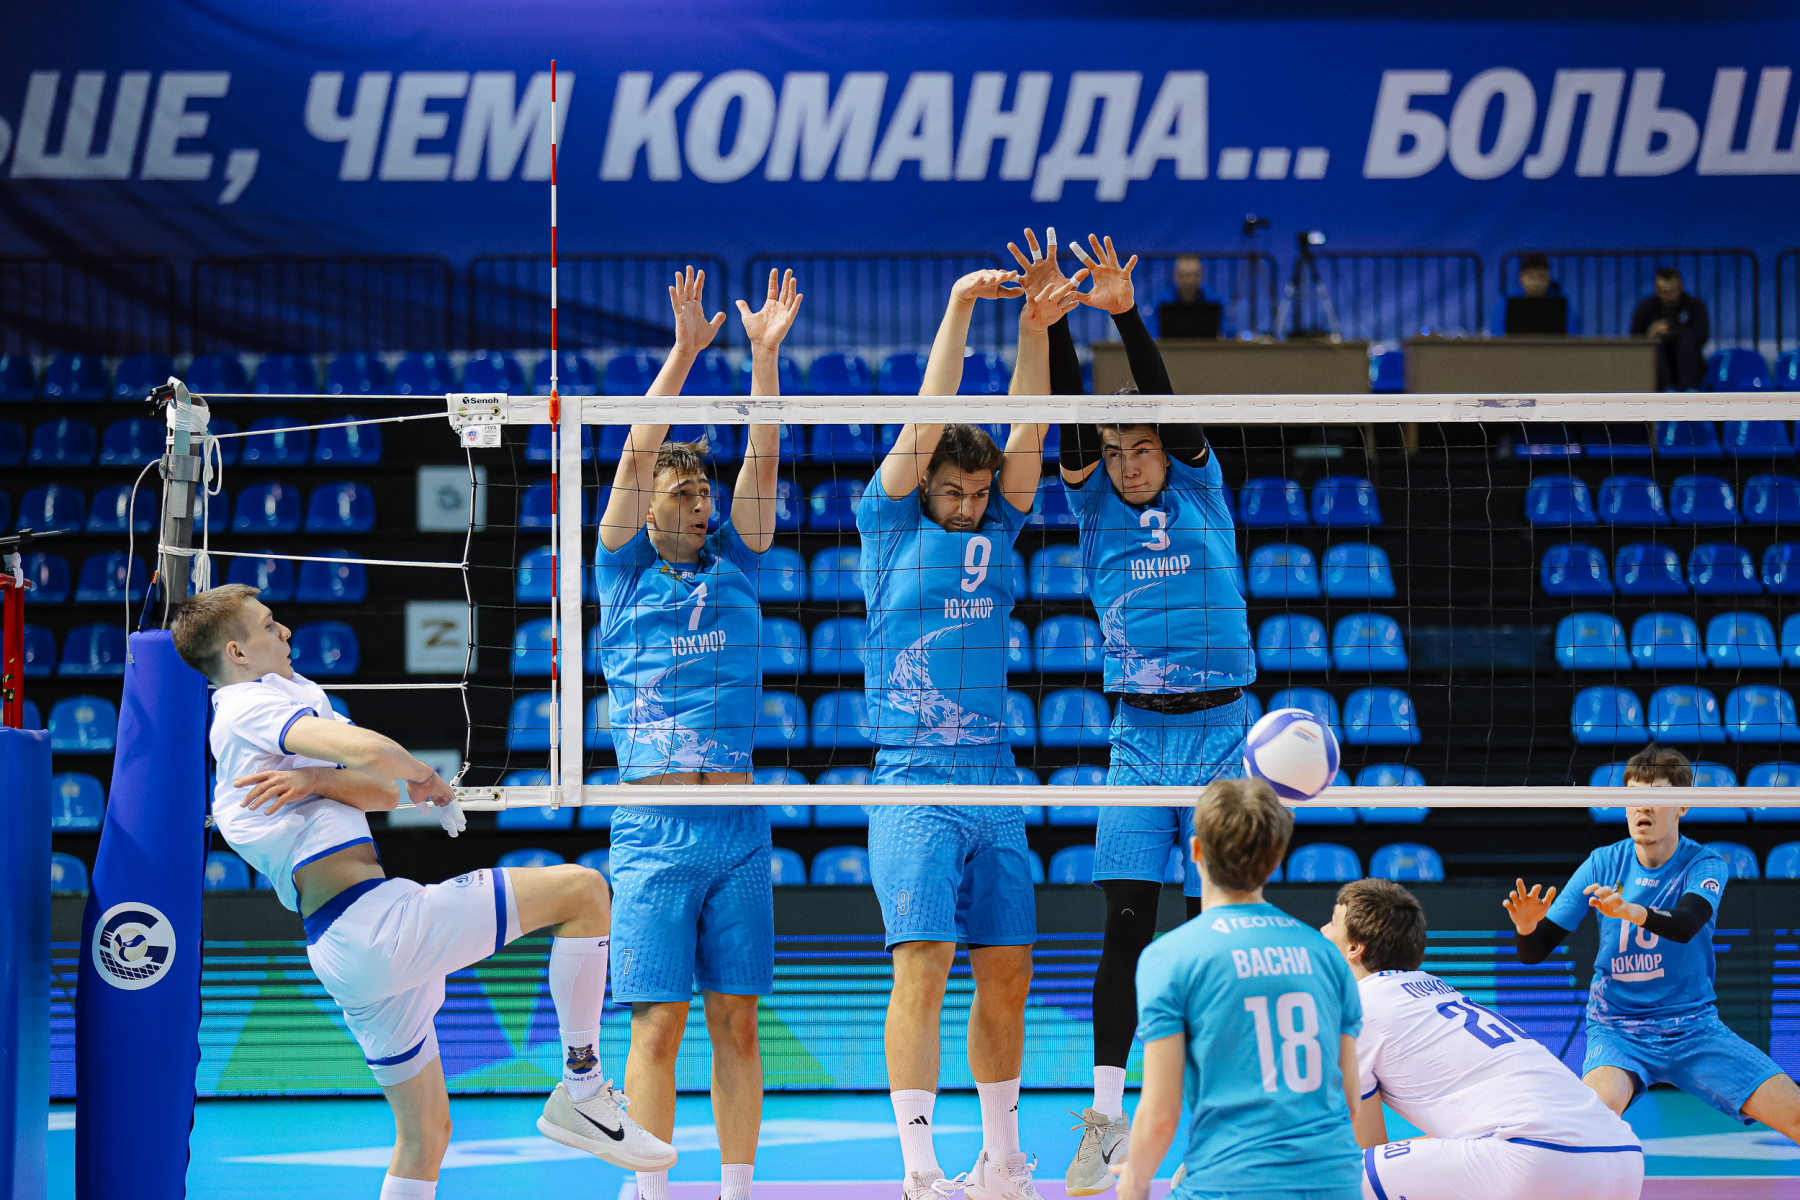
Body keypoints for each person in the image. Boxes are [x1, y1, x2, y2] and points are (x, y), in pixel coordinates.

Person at [173, 584, 674, 1200]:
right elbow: (372, 755)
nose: (285, 632)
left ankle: (578, 1097)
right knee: (584, 890)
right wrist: (427, 777)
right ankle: (582, 1089)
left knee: (426, 1134)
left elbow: (379, 791)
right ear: (236, 652)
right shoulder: (244, 706)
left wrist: (317, 780)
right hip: (372, 927)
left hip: (350, 946)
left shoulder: (295, 696)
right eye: (269, 624)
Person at [1026, 233, 1255, 1196]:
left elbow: (1160, 399)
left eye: (1141, 447)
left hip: (1222, 734)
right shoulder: (1095, 509)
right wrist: (1057, 328)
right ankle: (1107, 1121)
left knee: (1219, 930)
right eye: (1114, 452)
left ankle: (1222, 1118)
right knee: (1125, 924)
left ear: (1167, 449)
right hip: (1137, 740)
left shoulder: (1199, 482)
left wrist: (1122, 314)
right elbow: (1073, 421)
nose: (1126, 464)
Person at [860, 257, 1076, 1200]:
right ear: (926, 486)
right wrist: (956, 306)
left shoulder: (1001, 529)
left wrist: (1035, 329)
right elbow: (927, 415)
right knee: (925, 965)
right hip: (913, 775)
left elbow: (1030, 426)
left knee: (1010, 971)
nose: (969, 505)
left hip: (995, 774)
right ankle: (919, 1166)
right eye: (954, 491)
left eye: (979, 494)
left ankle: (1001, 1158)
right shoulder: (888, 525)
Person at [592, 265, 802, 1200]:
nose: (697, 503)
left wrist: (762, 359)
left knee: (738, 1023)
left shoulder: (740, 562)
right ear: (650, 505)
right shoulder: (622, 570)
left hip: (739, 827)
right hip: (653, 827)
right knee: (657, 1026)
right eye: (680, 493)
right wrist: (683, 354)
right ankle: (650, 1190)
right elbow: (636, 451)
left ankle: (738, 1191)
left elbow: (765, 452)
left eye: (701, 492)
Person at [1507, 743, 1800, 1142]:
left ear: (1683, 805)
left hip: (1693, 1028)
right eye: (1633, 797)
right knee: (1587, 1121)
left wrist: (1632, 910)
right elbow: (1534, 951)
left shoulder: (1704, 864)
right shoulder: (1602, 864)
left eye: (1656, 796)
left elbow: (1687, 923)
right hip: (1617, 1030)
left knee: (1795, 1113)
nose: (1642, 807)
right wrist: (1526, 927)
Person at [1116, 778, 1363, 1200]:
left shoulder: (1169, 957)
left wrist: (1133, 1185)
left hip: (1229, 1185)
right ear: (1276, 859)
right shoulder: (1325, 953)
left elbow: (1161, 1115)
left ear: (1195, 851)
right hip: (1335, 1184)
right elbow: (1350, 1102)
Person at [1322, 877, 1643, 1200]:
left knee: (1332, 1175)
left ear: (1354, 947)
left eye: (1332, 922)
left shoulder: (1358, 1008)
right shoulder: (1439, 992)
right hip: (1622, 1158)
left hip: (1535, 1159)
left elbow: (1366, 1149)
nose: (1323, 931)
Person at [1629, 268, 1709, 390]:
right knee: (1656, 342)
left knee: (1686, 339)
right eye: (1665, 292)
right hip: (1657, 371)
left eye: (1673, 290)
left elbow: (1702, 335)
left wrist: (1674, 331)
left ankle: (1690, 389)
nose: (1670, 296)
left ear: (1681, 286)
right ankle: (1667, 389)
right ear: (1657, 290)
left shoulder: (1695, 305)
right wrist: (1650, 333)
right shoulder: (1646, 308)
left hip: (1690, 364)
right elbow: (1634, 339)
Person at [1144, 253, 1235, 340]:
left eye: (1195, 275)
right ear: (1176, 276)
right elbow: (1152, 336)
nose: (1190, 280)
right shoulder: (1161, 303)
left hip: (1207, 350)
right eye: (1186, 275)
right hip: (1169, 350)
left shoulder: (1215, 301)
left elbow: (1229, 335)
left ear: (1201, 275)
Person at [1492, 253, 1576, 335]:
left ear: (1549, 279)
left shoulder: (1561, 304)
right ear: (1521, 278)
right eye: (1531, 277)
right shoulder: (1505, 303)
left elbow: (1573, 334)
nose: (1536, 282)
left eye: (1541, 277)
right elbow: (1497, 334)